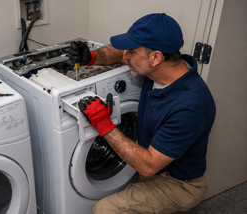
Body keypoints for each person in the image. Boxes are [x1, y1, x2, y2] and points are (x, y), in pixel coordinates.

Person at [68, 13, 216, 214]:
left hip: (180, 183)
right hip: (157, 164)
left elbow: (149, 166)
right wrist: (92, 57)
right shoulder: (158, 70)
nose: (126, 55)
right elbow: (118, 54)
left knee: (105, 209)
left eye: (132, 51)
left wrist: (103, 124)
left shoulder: (191, 105)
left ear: (156, 57)